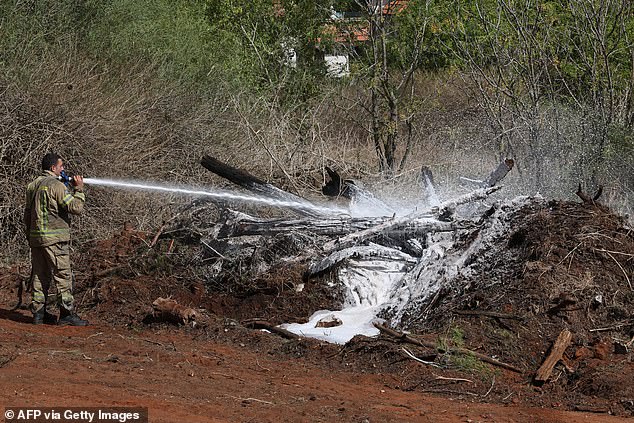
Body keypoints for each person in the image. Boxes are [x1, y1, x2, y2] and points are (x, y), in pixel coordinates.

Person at [24, 153, 88, 326]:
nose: (63, 170)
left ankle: (38, 314)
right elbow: (76, 208)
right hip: (55, 239)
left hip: (36, 240)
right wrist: (79, 189)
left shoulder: (33, 185)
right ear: (53, 168)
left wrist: (30, 235)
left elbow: (27, 214)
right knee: (62, 275)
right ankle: (66, 314)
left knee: (39, 276)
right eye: (61, 167)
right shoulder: (56, 186)